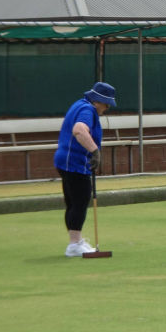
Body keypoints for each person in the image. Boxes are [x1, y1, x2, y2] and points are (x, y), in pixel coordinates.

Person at [54, 81, 116, 257]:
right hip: (73, 163)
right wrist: (95, 151)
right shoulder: (88, 110)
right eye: (106, 104)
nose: (107, 108)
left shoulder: (79, 104)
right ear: (98, 101)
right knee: (80, 201)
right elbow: (79, 130)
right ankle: (74, 245)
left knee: (73, 202)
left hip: (65, 161)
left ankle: (76, 241)